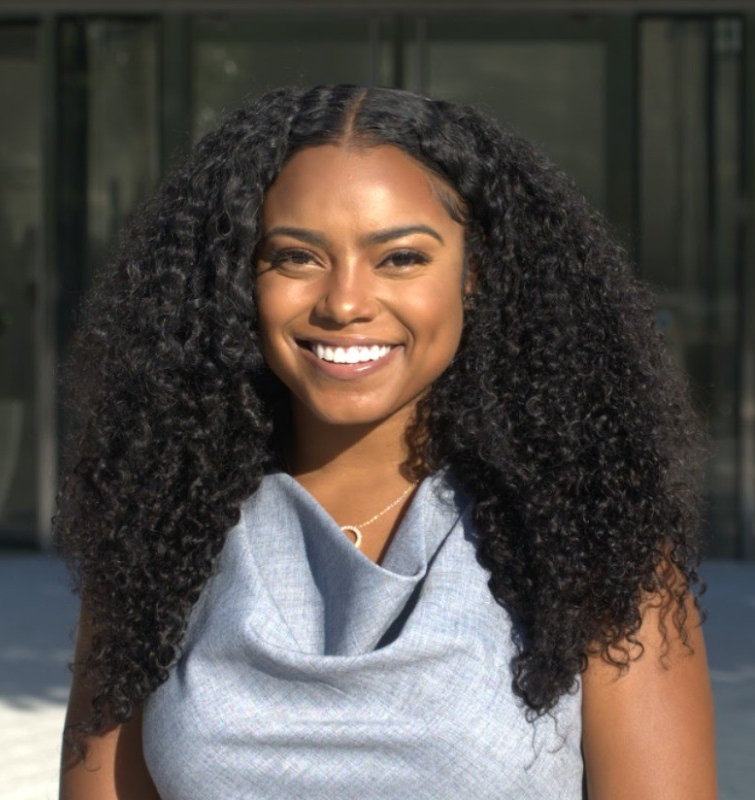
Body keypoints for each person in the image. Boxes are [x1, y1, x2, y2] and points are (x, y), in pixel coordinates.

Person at [56, 85, 716, 799]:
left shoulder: (593, 545)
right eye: (296, 257)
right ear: (238, 278)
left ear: (476, 273)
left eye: (400, 258)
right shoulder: (159, 532)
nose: (344, 303)